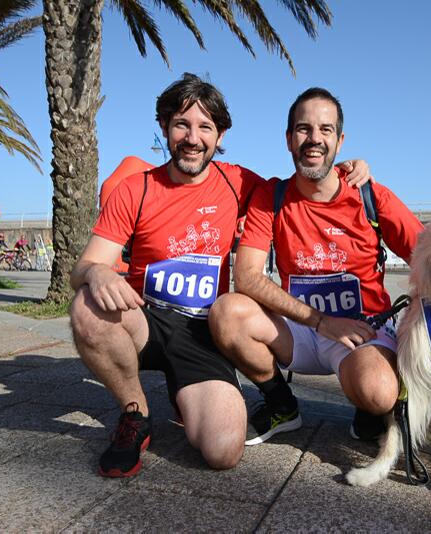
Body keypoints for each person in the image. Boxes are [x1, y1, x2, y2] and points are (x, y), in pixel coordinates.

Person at [68, 74, 371, 477]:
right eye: (181, 125)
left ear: (220, 134)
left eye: (205, 127)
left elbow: (300, 189)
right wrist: (96, 274)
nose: (192, 138)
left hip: (204, 331)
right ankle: (135, 414)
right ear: (164, 128)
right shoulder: (134, 190)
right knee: (88, 308)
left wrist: (350, 169)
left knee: (223, 451)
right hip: (145, 320)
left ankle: (186, 390)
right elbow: (84, 267)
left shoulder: (237, 181)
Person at [209, 88, 425, 446]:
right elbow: (246, 276)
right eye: (304, 129)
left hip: (363, 330)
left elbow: (429, 259)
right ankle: (281, 405)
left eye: (325, 130)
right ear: (289, 139)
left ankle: (370, 410)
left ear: (339, 141)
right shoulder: (272, 196)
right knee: (227, 312)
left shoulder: (371, 196)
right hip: (303, 329)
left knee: (377, 391)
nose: (314, 139)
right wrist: (321, 321)